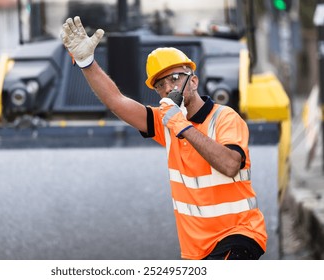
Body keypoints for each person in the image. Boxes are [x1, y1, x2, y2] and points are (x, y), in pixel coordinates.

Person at [60, 16, 267, 260]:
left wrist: (182, 125)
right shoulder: (166, 121)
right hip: (197, 249)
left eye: (175, 78)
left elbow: (231, 164)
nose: (169, 88)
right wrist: (87, 62)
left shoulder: (224, 118)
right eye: (160, 85)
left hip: (239, 236)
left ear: (194, 81)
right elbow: (117, 101)